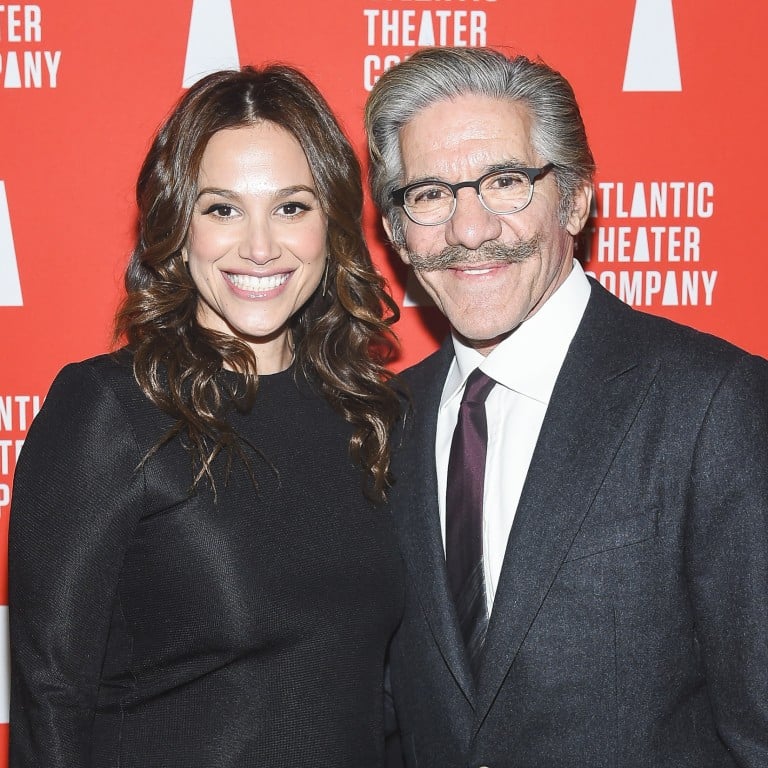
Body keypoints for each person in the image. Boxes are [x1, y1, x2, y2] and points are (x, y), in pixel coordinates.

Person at [366, 46, 768, 768]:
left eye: (506, 182)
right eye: (429, 194)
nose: (469, 230)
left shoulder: (713, 405)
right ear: (397, 231)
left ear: (575, 199)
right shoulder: (383, 422)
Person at [9, 64, 404, 768]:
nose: (260, 247)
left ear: (333, 225)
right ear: (177, 225)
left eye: (292, 207)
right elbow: (51, 695)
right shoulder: (111, 410)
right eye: (222, 209)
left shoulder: (373, 416)